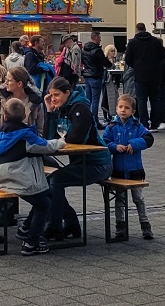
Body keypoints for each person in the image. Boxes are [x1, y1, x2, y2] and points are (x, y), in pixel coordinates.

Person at [0, 97, 66, 256]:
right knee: (44, 203)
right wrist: (60, 142)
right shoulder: (25, 135)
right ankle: (32, 241)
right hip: (20, 180)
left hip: (0, 179)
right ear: (24, 116)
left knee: (48, 194)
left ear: (4, 116)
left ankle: (26, 227)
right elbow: (45, 146)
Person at [42, 77, 111, 241]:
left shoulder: (81, 108)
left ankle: (55, 226)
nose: (53, 99)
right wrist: (50, 112)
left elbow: (77, 138)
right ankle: (70, 224)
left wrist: (60, 141)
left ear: (67, 93)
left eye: (56, 95)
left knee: (55, 180)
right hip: (81, 161)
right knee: (47, 180)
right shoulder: (61, 108)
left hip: (98, 163)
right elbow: (48, 138)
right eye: (50, 96)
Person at [102, 94, 153, 241]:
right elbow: (104, 142)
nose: (123, 110)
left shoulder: (137, 126)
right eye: (120, 107)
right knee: (119, 199)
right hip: (118, 170)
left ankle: (145, 224)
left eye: (127, 108)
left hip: (135, 169)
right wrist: (113, 146)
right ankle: (120, 226)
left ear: (133, 111)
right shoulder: (111, 127)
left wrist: (134, 144)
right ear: (116, 108)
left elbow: (149, 139)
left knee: (138, 198)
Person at [125, 23, 165, 128]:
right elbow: (163, 54)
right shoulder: (154, 41)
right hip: (155, 74)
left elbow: (128, 59)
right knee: (155, 99)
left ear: (137, 30)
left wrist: (136, 66)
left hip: (140, 75)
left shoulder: (133, 42)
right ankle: (155, 123)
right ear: (145, 29)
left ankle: (144, 123)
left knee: (141, 100)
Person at [0, 66, 47, 135]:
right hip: (3, 142)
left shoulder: (36, 103)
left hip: (27, 143)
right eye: (6, 79)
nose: (6, 83)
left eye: (9, 80)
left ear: (19, 84)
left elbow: (40, 130)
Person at [81, 31, 110, 127]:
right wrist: (110, 63)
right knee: (95, 100)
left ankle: (86, 120)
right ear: (96, 38)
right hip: (96, 76)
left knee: (88, 100)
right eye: (100, 37)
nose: (100, 39)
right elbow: (106, 63)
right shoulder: (97, 50)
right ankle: (95, 121)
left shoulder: (84, 49)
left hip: (87, 76)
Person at [101, 44, 121, 124]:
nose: (113, 53)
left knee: (114, 99)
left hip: (114, 81)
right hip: (107, 81)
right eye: (111, 51)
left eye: (114, 51)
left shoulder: (116, 60)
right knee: (105, 98)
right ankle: (105, 116)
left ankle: (112, 114)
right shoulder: (105, 61)